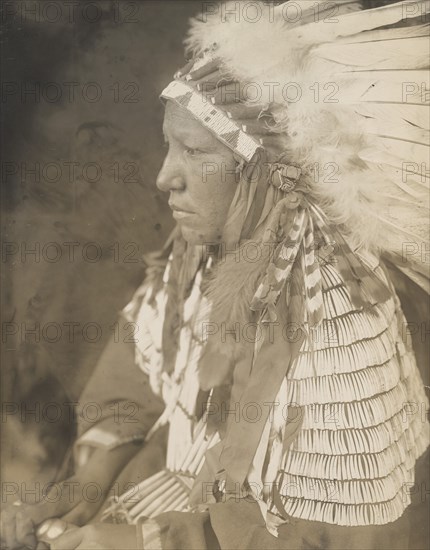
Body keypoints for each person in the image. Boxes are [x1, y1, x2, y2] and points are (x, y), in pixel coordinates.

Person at [2, 1, 429, 549]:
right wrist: (87, 484)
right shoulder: (195, 254)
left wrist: (147, 541)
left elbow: (321, 535)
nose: (163, 179)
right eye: (167, 145)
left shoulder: (343, 323)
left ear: (261, 175)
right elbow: (136, 377)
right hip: (152, 496)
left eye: (193, 151)